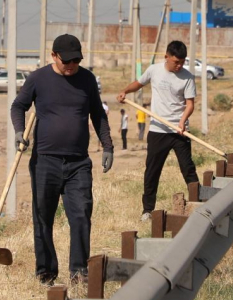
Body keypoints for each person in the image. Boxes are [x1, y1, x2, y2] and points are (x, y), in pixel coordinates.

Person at [10, 34, 114, 286]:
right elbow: (18, 106)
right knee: (43, 218)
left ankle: (80, 273)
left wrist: (108, 145)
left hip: (79, 163)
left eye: (76, 60)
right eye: (67, 61)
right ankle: (46, 273)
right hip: (45, 161)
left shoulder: (87, 79)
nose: (71, 65)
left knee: (80, 216)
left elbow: (98, 115)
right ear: (53, 56)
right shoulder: (38, 78)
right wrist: (18, 131)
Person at [116, 40, 199, 222]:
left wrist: (183, 121)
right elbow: (139, 83)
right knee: (152, 171)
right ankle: (147, 210)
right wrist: (125, 91)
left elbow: (190, 104)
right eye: (176, 62)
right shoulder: (154, 70)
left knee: (188, 168)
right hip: (157, 130)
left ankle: (198, 203)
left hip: (179, 131)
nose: (179, 66)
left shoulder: (188, 78)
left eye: (182, 62)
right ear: (166, 57)